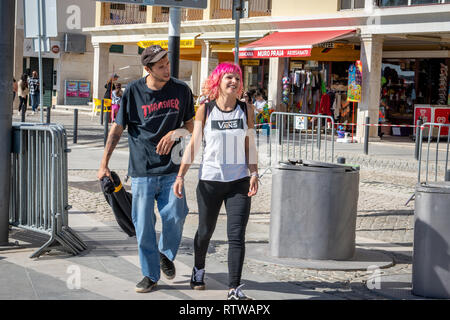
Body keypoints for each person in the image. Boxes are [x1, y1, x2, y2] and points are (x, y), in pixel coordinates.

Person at [97, 45, 195, 293]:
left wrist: (175, 132)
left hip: (173, 168)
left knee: (176, 214)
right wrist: (103, 163)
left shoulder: (181, 90)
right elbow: (118, 129)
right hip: (142, 170)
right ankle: (150, 275)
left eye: (168, 64)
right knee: (143, 225)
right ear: (148, 68)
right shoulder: (133, 92)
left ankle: (165, 253)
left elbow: (192, 127)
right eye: (161, 66)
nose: (167, 70)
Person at [173, 62, 259, 300]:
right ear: (218, 81)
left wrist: (254, 173)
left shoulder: (246, 109)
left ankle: (234, 288)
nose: (234, 81)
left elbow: (249, 144)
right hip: (210, 181)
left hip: (238, 182)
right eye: (229, 77)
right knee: (204, 231)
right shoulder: (206, 109)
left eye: (237, 78)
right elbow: (193, 145)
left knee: (236, 235)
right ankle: (198, 269)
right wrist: (180, 175)